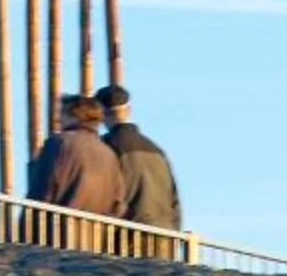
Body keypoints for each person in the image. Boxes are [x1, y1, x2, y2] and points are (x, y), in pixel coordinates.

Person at [26, 93, 125, 241]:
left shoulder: (58, 143)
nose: (58, 120)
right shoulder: (109, 154)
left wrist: (25, 234)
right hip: (96, 242)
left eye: (62, 114)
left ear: (74, 115)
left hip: (58, 237)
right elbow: (118, 204)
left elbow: (42, 190)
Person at [99, 83, 182, 232]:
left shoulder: (104, 148)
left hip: (127, 236)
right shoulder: (156, 151)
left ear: (101, 113)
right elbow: (174, 201)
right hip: (164, 234)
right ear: (129, 110)